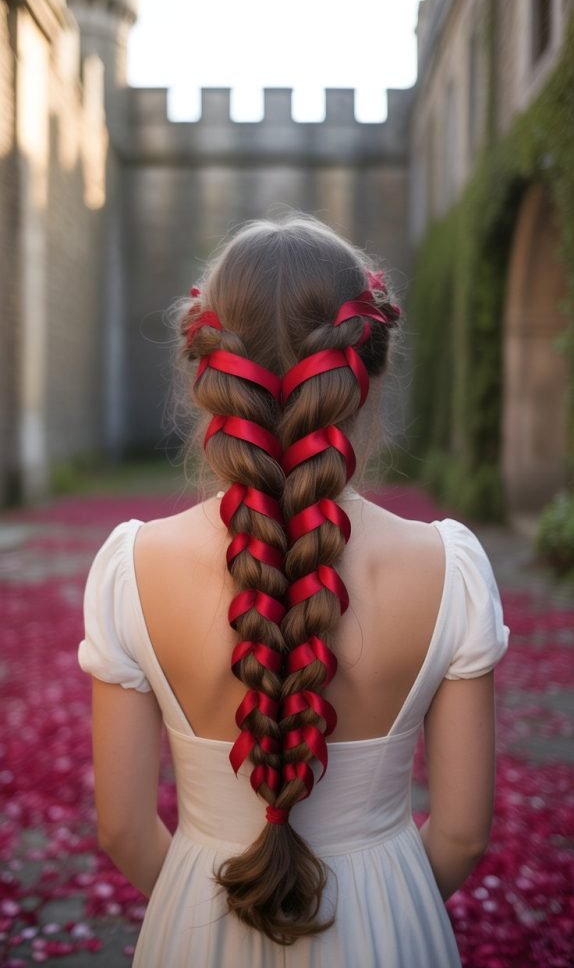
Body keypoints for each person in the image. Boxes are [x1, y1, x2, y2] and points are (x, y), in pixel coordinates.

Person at [78, 214, 510, 967]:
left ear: (206, 372)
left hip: (197, 924)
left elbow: (122, 828)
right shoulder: (451, 568)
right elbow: (463, 834)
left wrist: (198, 906)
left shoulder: (131, 566)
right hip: (390, 930)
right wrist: (387, 903)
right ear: (366, 371)